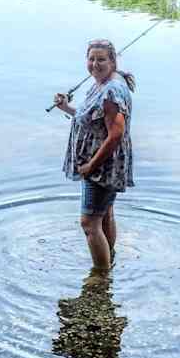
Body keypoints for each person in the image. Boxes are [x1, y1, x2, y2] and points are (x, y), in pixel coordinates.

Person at [52, 38, 135, 271]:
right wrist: (66, 107)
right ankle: (108, 260)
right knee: (105, 214)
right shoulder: (100, 84)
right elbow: (90, 116)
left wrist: (91, 165)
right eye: (91, 59)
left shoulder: (112, 90)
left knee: (89, 223)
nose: (95, 64)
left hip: (102, 165)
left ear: (112, 61)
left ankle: (100, 279)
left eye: (101, 59)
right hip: (100, 162)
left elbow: (116, 134)